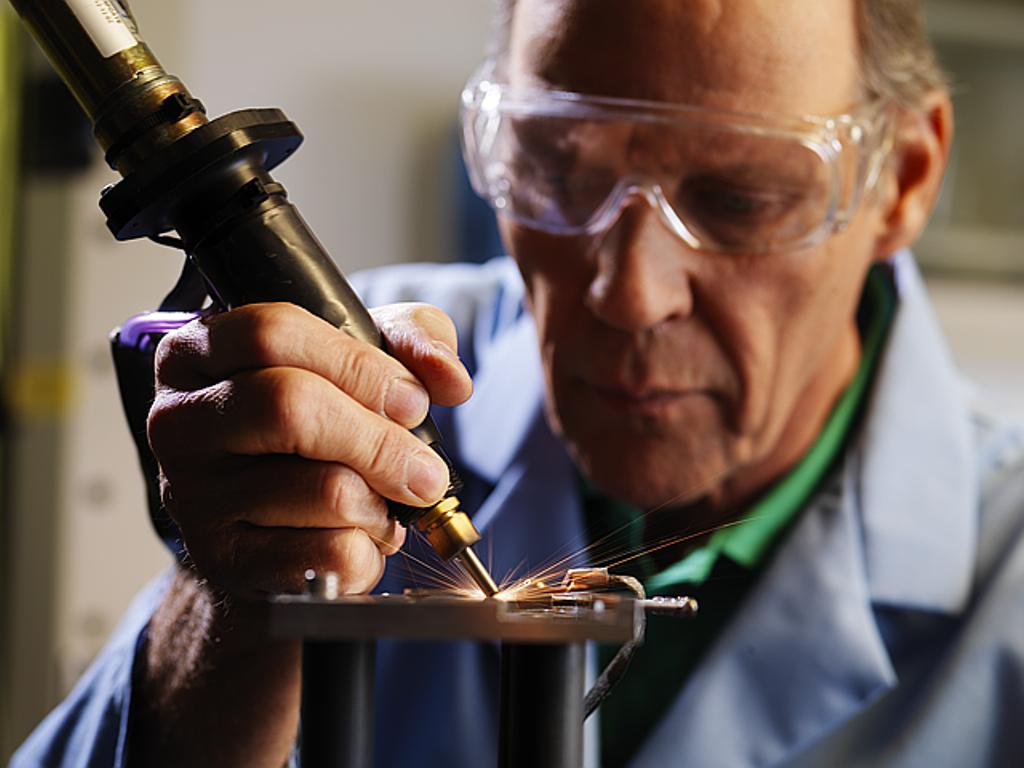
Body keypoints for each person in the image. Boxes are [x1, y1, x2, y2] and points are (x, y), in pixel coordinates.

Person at [13, 0, 1024, 766]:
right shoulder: (343, 375)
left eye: (738, 197)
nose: (628, 294)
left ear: (903, 179)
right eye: (559, 171)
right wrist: (228, 608)